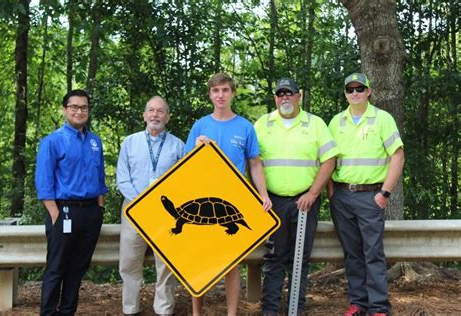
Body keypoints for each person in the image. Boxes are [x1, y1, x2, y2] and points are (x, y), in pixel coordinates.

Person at [185, 73, 272, 316]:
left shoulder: (245, 127)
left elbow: (254, 164)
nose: (220, 95)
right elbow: (184, 165)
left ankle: (231, 314)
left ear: (232, 93)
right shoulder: (200, 125)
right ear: (210, 95)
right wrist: (195, 147)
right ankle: (196, 313)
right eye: (215, 91)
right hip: (201, 199)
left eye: (225, 90)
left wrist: (262, 195)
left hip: (232, 200)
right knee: (198, 262)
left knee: (231, 265)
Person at [254, 78, 338, 315]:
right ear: (275, 98)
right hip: (273, 202)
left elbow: (329, 160)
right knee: (273, 259)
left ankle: (295, 310)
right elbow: (252, 162)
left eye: (289, 93)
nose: (285, 98)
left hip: (305, 202)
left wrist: (312, 193)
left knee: (299, 260)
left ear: (299, 96)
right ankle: (269, 310)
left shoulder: (316, 124)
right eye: (280, 94)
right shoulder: (262, 124)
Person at [328, 73, 404, 316]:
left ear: (368, 91)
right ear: (345, 94)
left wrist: (385, 193)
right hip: (341, 196)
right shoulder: (336, 122)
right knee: (352, 254)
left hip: (370, 196)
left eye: (359, 88)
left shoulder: (382, 119)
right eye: (350, 89)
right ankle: (358, 304)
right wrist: (331, 193)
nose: (355, 93)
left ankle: (379, 307)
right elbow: (327, 160)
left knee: (373, 253)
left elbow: (398, 156)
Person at [35, 89, 108, 316]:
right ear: (65, 110)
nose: (79, 111)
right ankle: (48, 313)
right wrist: (55, 214)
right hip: (64, 211)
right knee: (57, 267)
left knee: (77, 268)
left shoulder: (95, 141)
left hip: (90, 213)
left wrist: (100, 208)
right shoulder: (52, 141)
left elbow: (100, 178)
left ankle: (67, 312)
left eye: (84, 107)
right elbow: (44, 182)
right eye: (74, 107)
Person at [117, 96, 185, 316]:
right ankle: (130, 309)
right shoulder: (130, 142)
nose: (155, 115)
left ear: (168, 117)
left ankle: (163, 309)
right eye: (151, 110)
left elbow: (183, 180)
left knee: (165, 265)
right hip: (133, 210)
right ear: (144, 115)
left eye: (161, 111)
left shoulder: (178, 145)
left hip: (165, 212)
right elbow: (122, 178)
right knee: (129, 262)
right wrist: (140, 203)